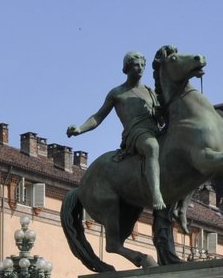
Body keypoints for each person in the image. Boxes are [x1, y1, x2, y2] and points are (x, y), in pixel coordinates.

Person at [67, 50, 165, 212]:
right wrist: (79, 129)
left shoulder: (150, 91)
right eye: (135, 65)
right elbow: (97, 117)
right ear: (127, 68)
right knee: (152, 147)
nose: (140, 68)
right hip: (136, 132)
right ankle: (156, 195)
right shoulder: (117, 93)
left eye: (142, 65)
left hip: (155, 129)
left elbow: (160, 115)